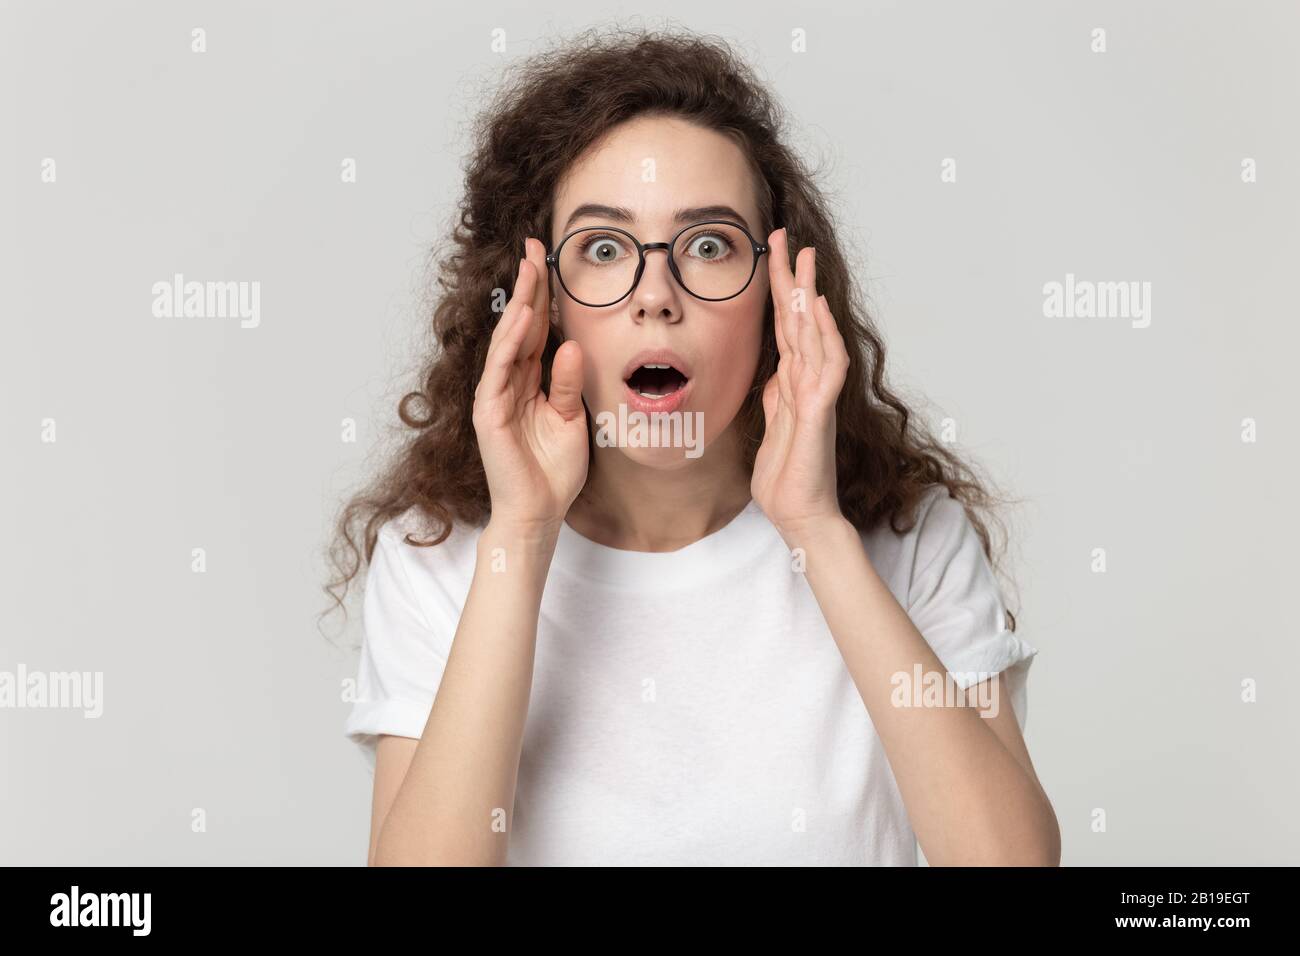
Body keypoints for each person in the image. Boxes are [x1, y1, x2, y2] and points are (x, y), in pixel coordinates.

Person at [325, 28, 1059, 866]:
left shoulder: (905, 538)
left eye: (708, 245)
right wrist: (523, 538)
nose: (656, 297)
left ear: (783, 298)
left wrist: (816, 530)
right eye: (604, 250)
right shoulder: (441, 560)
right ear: (544, 301)